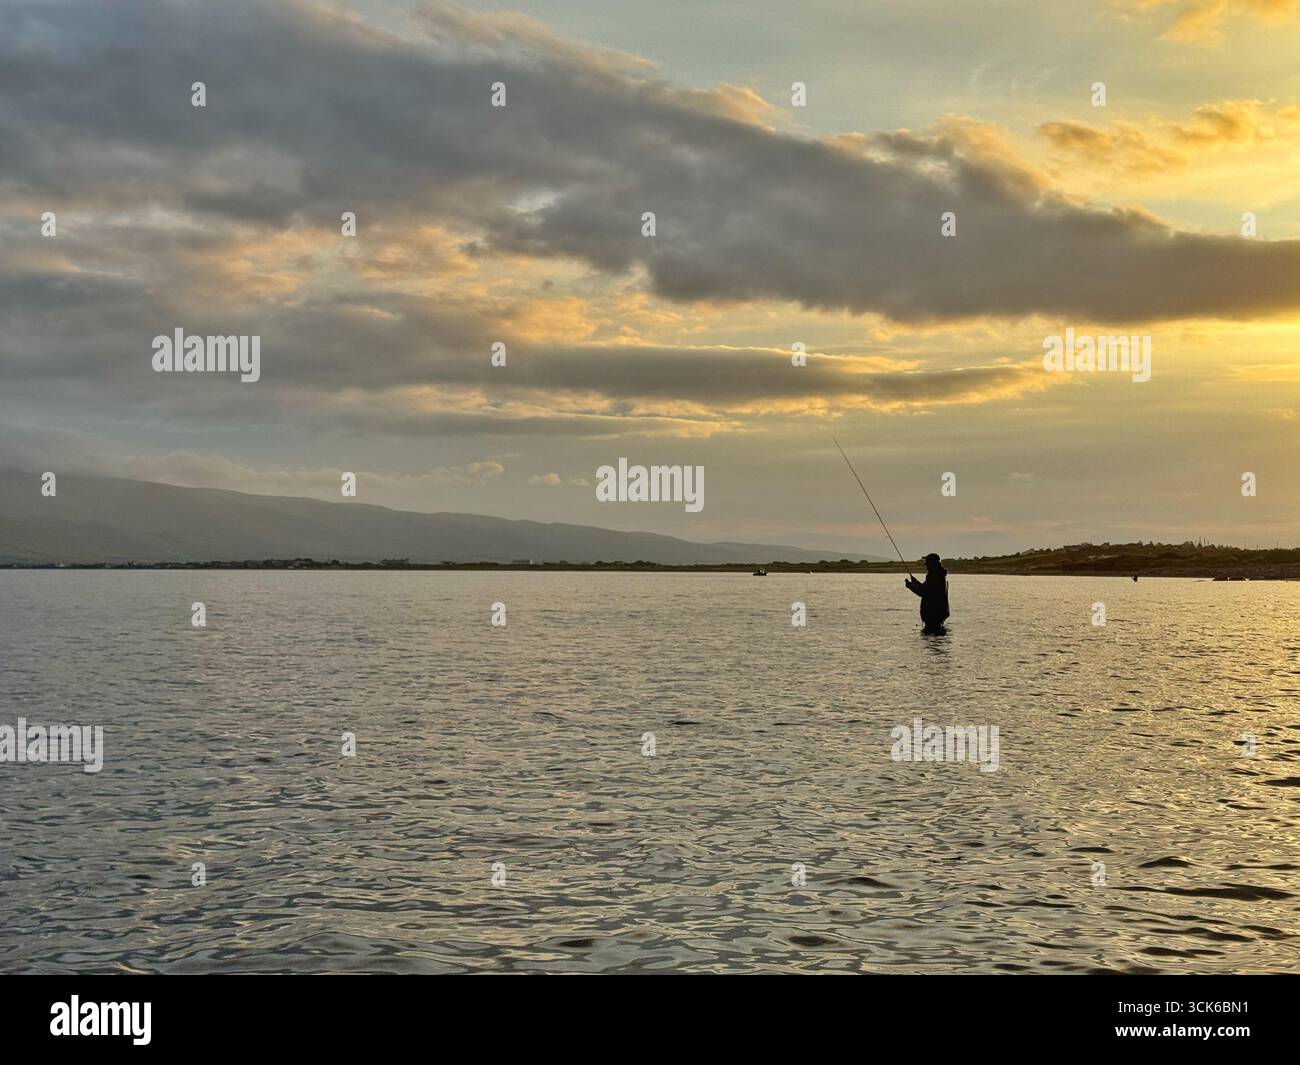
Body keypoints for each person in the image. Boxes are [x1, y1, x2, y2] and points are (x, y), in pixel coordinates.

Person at [905, 553, 950, 634]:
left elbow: (923, 593)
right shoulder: (938, 575)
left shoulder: (935, 577)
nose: (926, 564)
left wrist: (910, 586)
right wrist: (915, 582)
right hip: (937, 615)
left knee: (931, 636)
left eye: (927, 562)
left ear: (934, 563)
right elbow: (925, 589)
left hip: (933, 615)